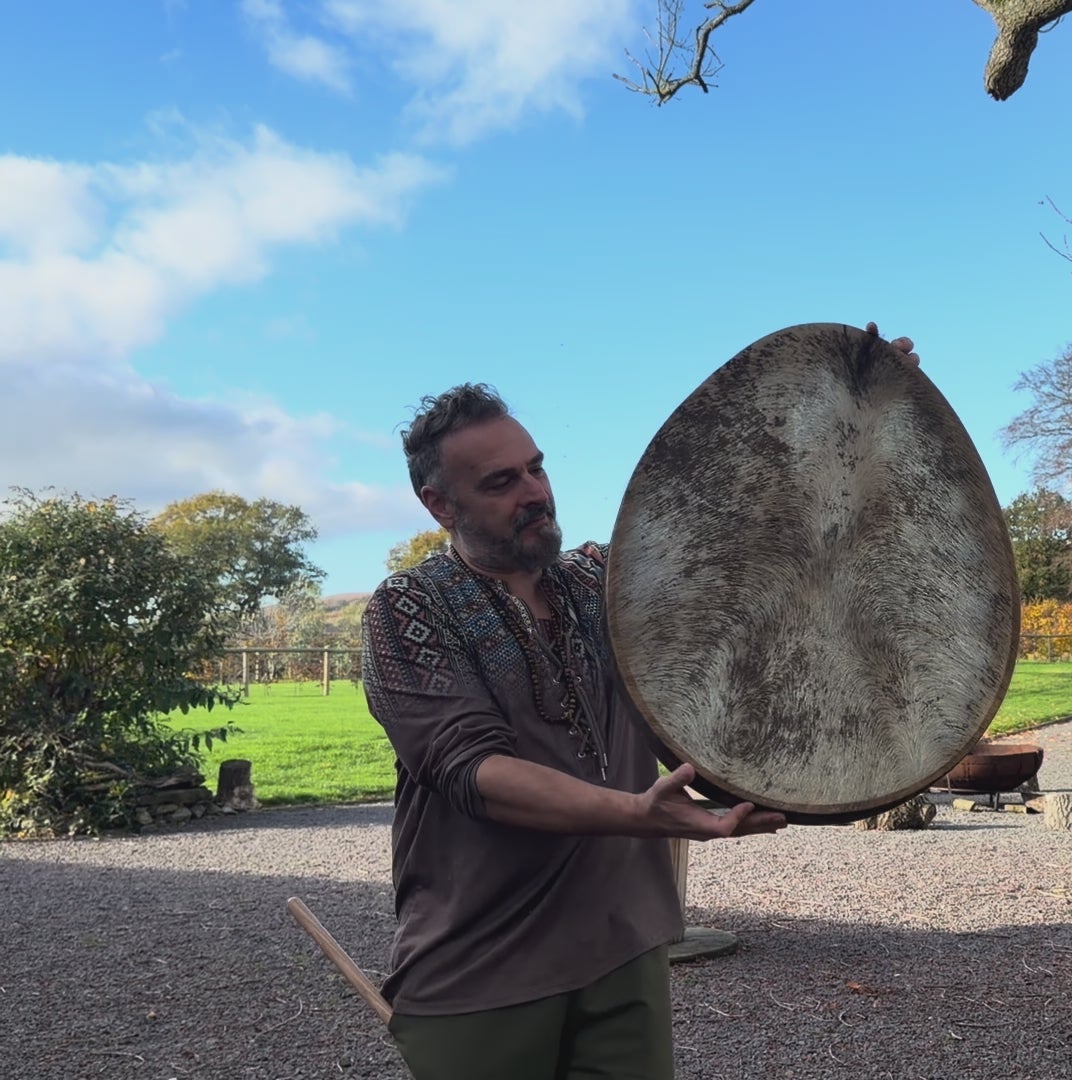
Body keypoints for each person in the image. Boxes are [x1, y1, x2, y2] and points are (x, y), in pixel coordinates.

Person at [360, 325, 919, 1079]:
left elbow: (748, 529)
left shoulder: (603, 583)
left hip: (624, 945)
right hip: (481, 969)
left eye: (536, 468)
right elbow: (471, 769)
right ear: (438, 503)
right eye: (500, 483)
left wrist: (851, 411)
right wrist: (636, 813)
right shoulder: (408, 609)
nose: (534, 492)